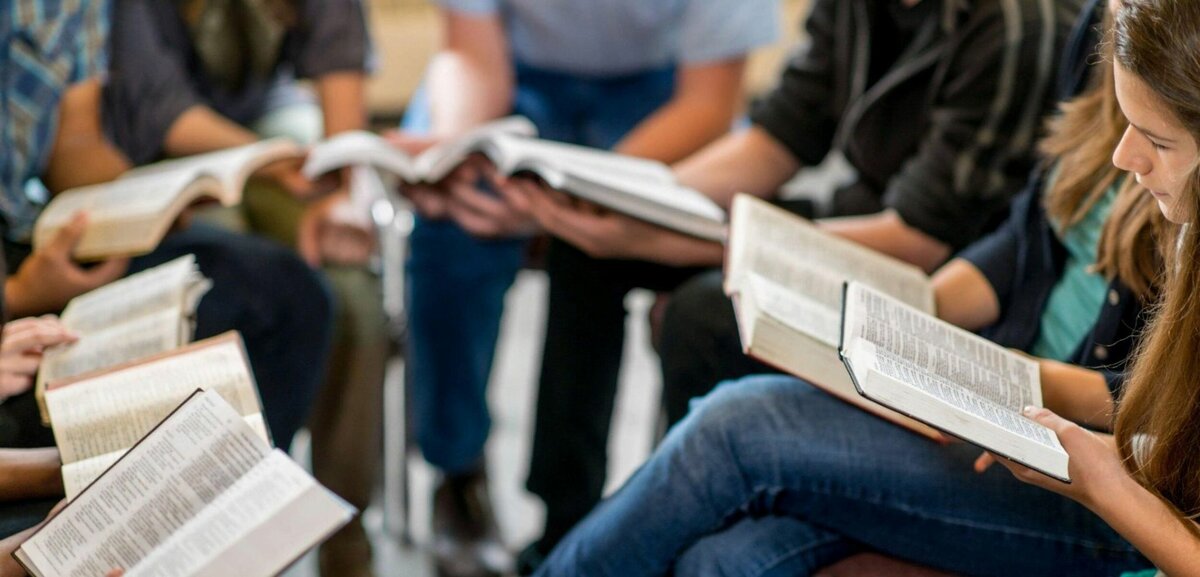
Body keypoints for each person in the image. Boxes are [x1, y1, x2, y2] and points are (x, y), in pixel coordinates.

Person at [528, 0, 1200, 572]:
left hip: (1104, 471)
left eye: (1156, 141)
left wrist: (1030, 389)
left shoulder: (1043, 36)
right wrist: (913, 321)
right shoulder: (1114, 36)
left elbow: (1151, 418)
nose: (1125, 156)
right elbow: (1028, 236)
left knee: (735, 429)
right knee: (730, 554)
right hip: (1054, 417)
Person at [371, 2, 780, 574]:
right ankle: (459, 473)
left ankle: (681, 500)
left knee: (611, 241)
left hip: (663, 93)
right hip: (519, 78)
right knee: (453, 229)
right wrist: (460, 152)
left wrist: (582, 193)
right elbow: (473, 53)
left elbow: (709, 103)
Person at [100, 2, 377, 574]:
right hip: (144, 149)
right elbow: (159, 107)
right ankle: (223, 541)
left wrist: (342, 194)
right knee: (229, 295)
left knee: (356, 301)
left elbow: (339, 57)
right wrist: (268, 164)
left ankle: (343, 533)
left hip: (268, 124)